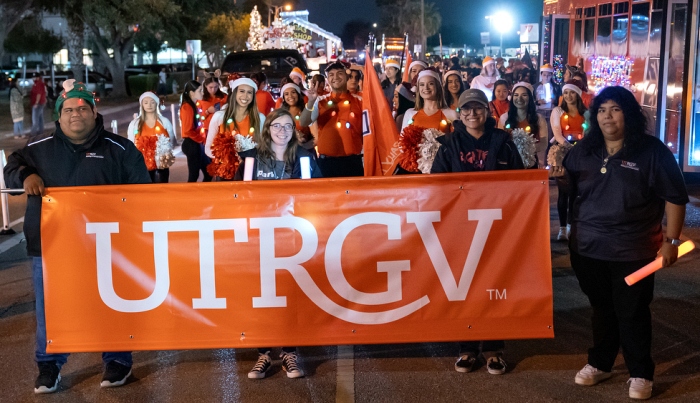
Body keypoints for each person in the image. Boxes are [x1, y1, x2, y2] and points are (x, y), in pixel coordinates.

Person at [3, 79, 150, 394]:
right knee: (50, 309)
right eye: (68, 109)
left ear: (94, 112)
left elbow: (143, 193)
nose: (76, 114)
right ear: (58, 116)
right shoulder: (37, 149)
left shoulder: (121, 149)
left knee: (112, 304)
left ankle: (117, 361)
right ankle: (49, 366)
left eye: (83, 108)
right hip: (51, 245)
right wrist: (26, 175)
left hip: (110, 245)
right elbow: (11, 167)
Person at [551, 86, 688, 400]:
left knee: (632, 311)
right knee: (602, 308)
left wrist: (672, 241)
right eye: (601, 110)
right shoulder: (584, 150)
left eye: (615, 109)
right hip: (586, 248)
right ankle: (601, 363)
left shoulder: (651, 152)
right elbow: (570, 188)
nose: (607, 117)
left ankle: (641, 372)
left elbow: (676, 198)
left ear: (629, 113)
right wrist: (560, 177)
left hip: (633, 250)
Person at [431, 89, 523, 375]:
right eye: (467, 109)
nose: (473, 114)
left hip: (495, 226)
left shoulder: (504, 143)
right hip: (460, 228)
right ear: (459, 113)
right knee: (465, 286)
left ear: (488, 112)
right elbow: (436, 184)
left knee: (494, 285)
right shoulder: (448, 143)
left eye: (478, 109)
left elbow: (520, 183)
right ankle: (467, 347)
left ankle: (494, 348)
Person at [235, 109, 320, 378]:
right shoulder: (250, 160)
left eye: (287, 126)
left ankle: (289, 352)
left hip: (294, 239)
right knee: (261, 296)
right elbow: (237, 198)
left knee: (290, 295)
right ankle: (263, 353)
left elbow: (318, 194)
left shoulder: (305, 158)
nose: (282, 131)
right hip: (259, 238)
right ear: (267, 128)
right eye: (276, 126)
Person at [299, 60, 363, 177]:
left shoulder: (359, 101)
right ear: (327, 79)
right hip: (326, 163)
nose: (335, 77)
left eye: (339, 73)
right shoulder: (320, 101)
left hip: (353, 162)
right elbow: (304, 121)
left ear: (346, 76)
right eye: (331, 75)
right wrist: (311, 101)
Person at [550, 80, 589, 240]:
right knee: (563, 191)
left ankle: (572, 225)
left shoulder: (586, 113)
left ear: (578, 95)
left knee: (575, 192)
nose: (568, 96)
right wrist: (568, 146)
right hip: (562, 152)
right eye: (566, 93)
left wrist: (580, 148)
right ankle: (562, 228)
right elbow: (557, 133)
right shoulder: (558, 111)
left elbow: (588, 131)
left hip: (581, 152)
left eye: (572, 92)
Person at [205, 77, 266, 180]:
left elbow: (262, 147)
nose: (245, 96)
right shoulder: (219, 116)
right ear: (234, 94)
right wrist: (227, 159)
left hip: (249, 172)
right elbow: (208, 148)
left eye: (249, 92)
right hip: (225, 173)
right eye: (241, 91)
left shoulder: (260, 118)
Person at [127, 92, 177, 183]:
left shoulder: (164, 122)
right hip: (142, 164)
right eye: (146, 102)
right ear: (141, 104)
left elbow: (171, 139)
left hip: (161, 164)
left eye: (152, 102)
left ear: (157, 103)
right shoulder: (135, 124)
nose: (149, 105)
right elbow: (131, 142)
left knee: (162, 187)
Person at [499, 82, 548, 168]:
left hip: (531, 163)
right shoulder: (504, 118)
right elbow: (499, 143)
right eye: (516, 95)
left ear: (530, 98)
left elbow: (544, 143)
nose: (519, 99)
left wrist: (527, 149)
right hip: (510, 163)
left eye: (524, 95)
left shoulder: (539, 119)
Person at [401, 68, 458, 132]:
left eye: (431, 83)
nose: (426, 88)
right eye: (422, 84)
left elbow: (457, 140)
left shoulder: (451, 114)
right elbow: (403, 139)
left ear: (438, 87)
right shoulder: (410, 113)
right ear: (418, 89)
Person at [180, 80, 212, 182]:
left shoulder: (194, 105)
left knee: (208, 172)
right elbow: (188, 130)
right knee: (194, 175)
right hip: (192, 144)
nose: (202, 93)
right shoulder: (187, 107)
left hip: (196, 143)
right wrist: (201, 140)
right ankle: (190, 196)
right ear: (191, 93)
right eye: (200, 90)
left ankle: (201, 194)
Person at [279, 82, 314, 151]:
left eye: (293, 92)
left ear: (298, 94)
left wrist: (302, 145)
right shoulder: (280, 114)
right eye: (286, 94)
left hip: (305, 151)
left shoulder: (307, 110)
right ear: (283, 97)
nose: (290, 96)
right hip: (286, 152)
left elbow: (316, 136)